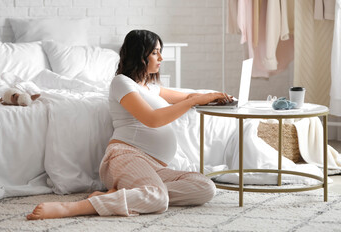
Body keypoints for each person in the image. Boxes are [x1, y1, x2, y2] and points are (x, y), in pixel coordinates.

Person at [27, 30, 233, 220]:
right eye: (155, 53)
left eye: (161, 52)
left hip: (154, 167)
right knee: (158, 198)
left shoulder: (152, 88)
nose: (161, 58)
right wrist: (193, 101)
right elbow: (152, 119)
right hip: (125, 157)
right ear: (140, 55)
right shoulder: (121, 83)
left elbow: (187, 96)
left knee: (205, 186)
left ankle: (126, 195)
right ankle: (75, 208)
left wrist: (213, 97)